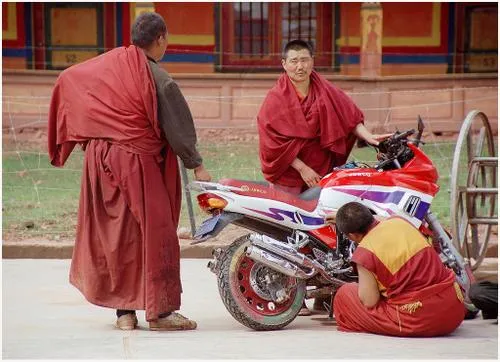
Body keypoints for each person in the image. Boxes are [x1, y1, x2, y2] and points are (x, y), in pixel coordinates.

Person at [48, 12, 211, 331]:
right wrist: (197, 164)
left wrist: (67, 138)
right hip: (136, 162)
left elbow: (67, 80)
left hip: (100, 162)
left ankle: (124, 313)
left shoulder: (107, 65)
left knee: (118, 234)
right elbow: (179, 129)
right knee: (156, 231)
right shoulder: (158, 78)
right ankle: (160, 313)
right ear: (161, 39)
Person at [257, 39, 389, 315]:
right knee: (291, 236)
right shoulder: (275, 99)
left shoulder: (325, 90)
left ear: (312, 61)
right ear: (283, 65)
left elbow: (352, 119)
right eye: (293, 61)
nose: (299, 66)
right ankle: (294, 298)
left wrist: (371, 139)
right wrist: (302, 168)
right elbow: (272, 142)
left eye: (304, 60)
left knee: (326, 233)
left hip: (325, 175)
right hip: (289, 175)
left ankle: (325, 295)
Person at [330, 202, 465, 336]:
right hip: (454, 310)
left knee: (345, 294)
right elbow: (379, 220)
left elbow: (369, 301)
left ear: (352, 236)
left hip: (421, 319)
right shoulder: (400, 221)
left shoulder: (365, 252)